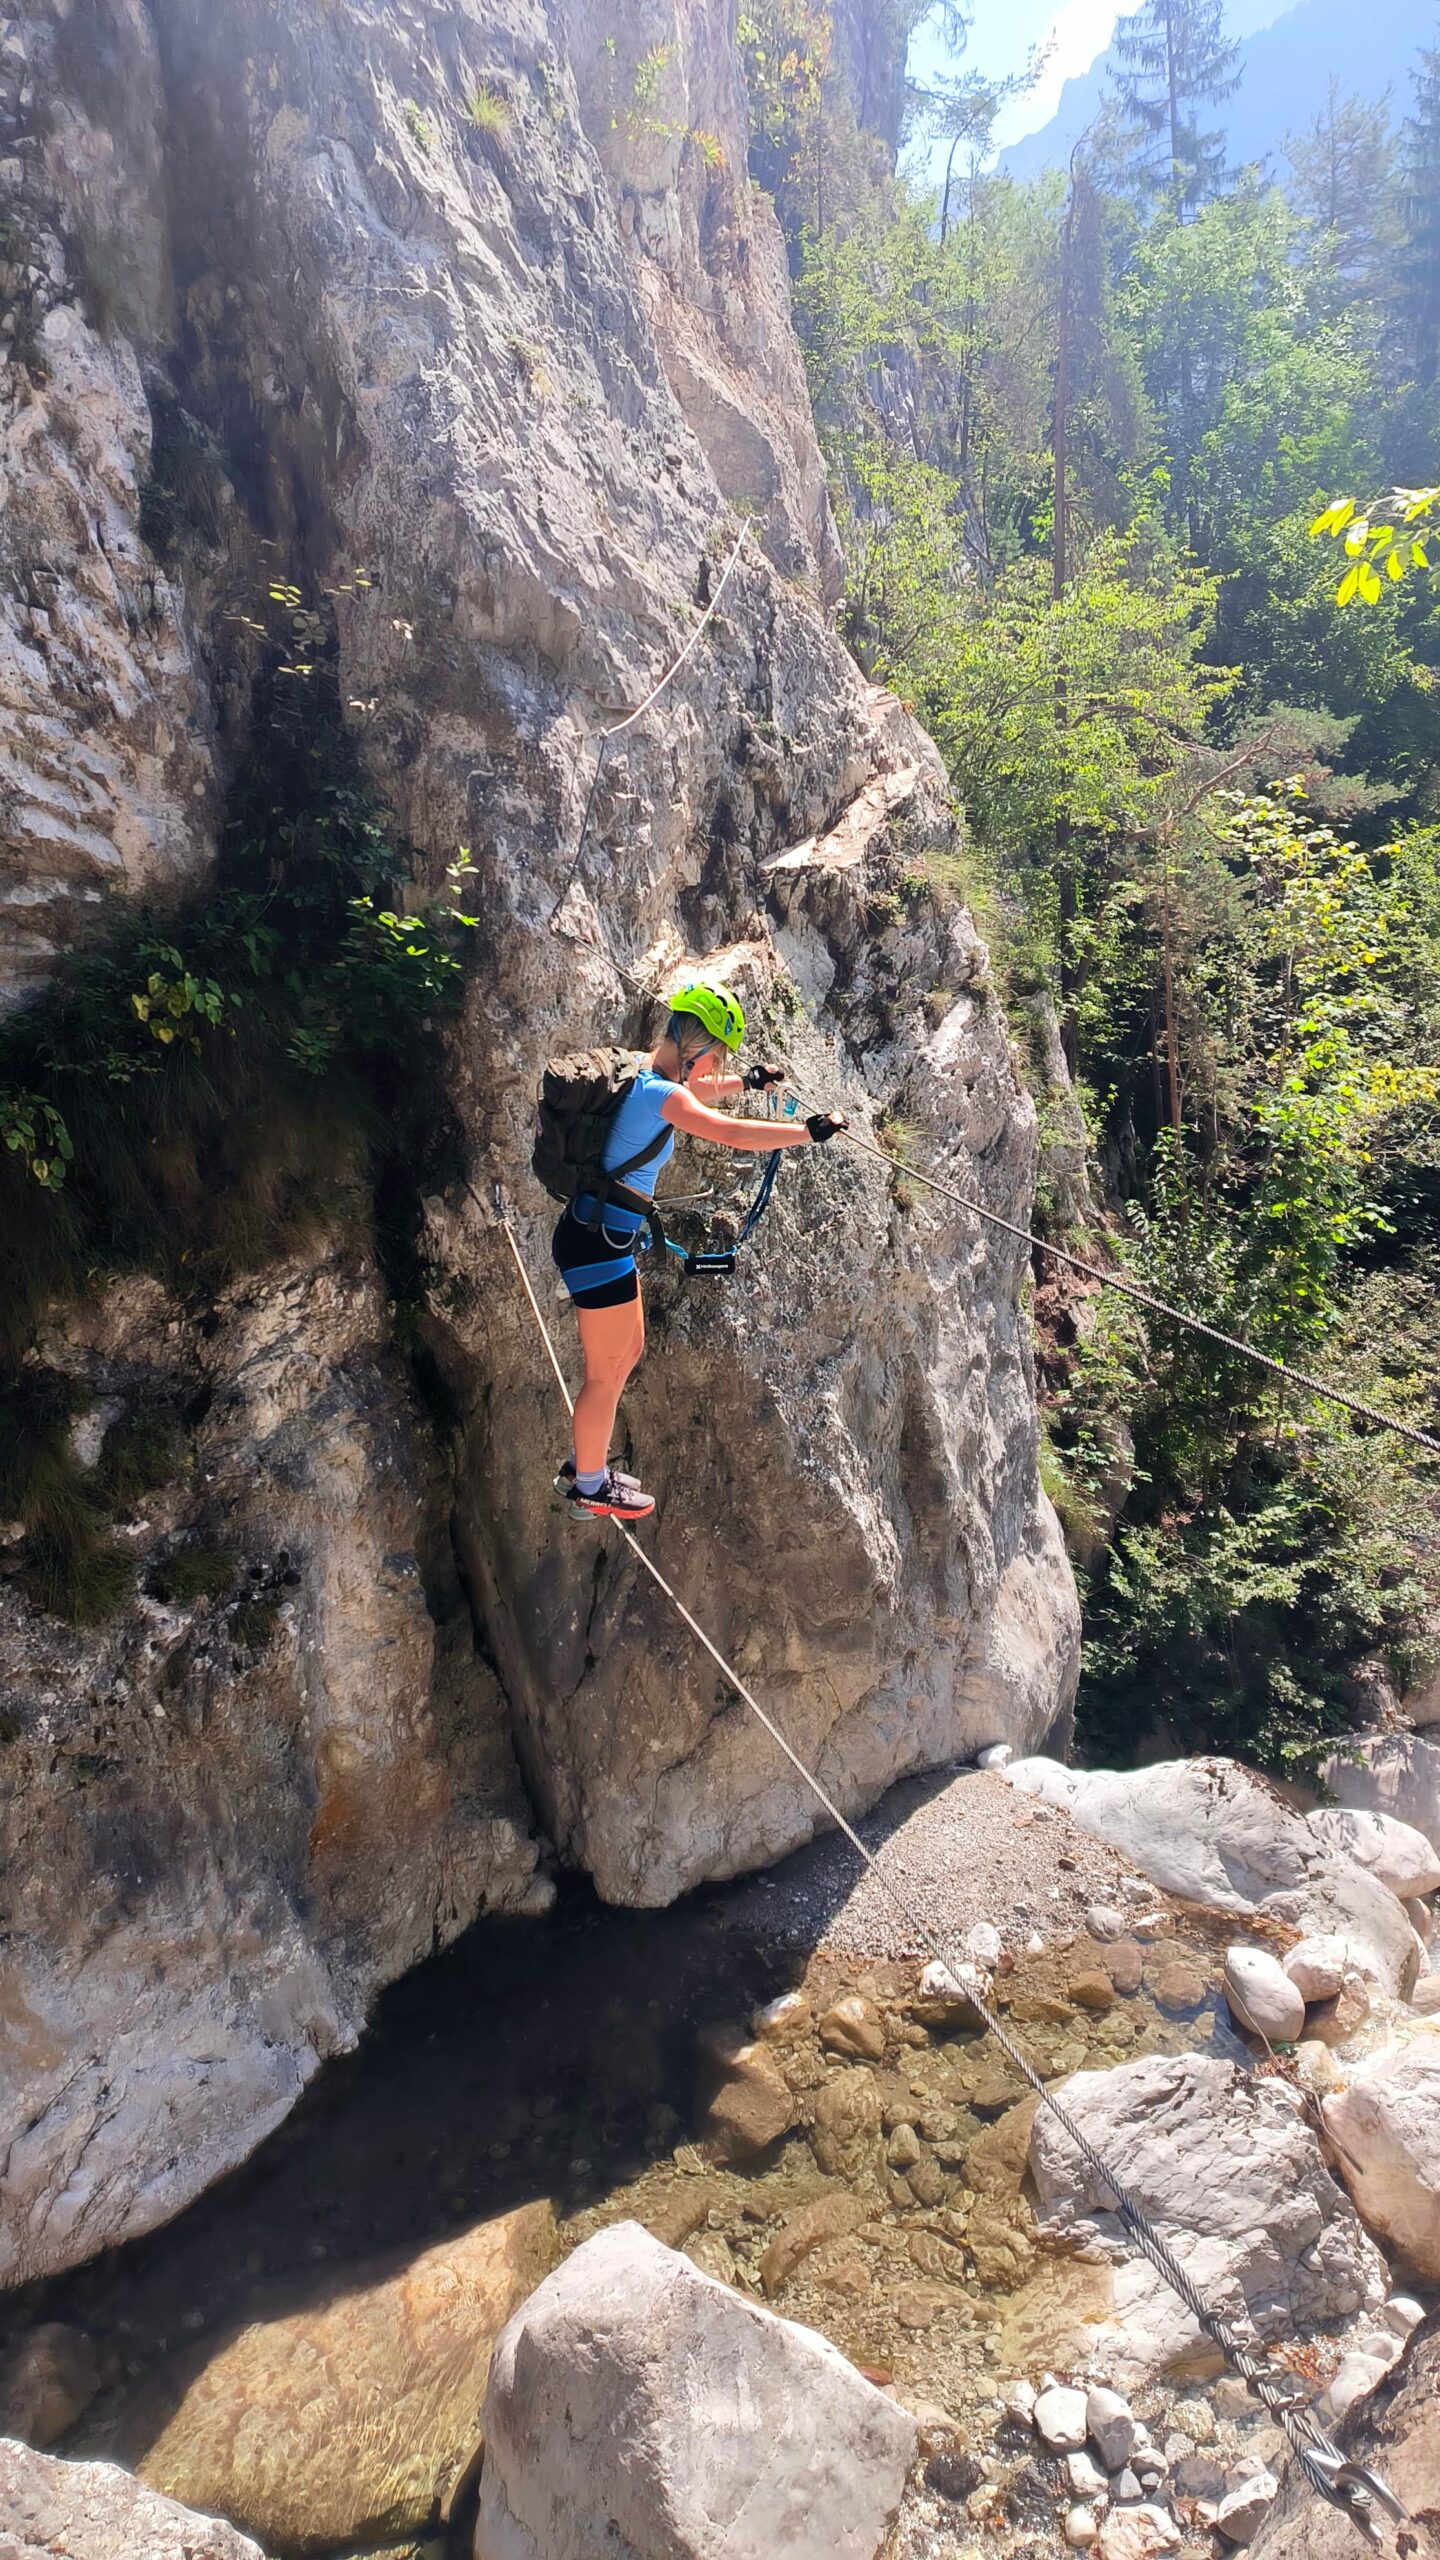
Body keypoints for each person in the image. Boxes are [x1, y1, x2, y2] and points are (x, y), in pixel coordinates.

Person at [551, 980, 846, 1519]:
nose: (715, 1069)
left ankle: (586, 1461)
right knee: (604, 1370)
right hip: (596, 1245)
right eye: (717, 1060)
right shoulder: (662, 1094)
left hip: (598, 1239)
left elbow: (695, 1098)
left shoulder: (646, 1071)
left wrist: (749, 1081)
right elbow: (730, 1134)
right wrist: (806, 1133)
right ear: (700, 1050)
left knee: (627, 1353)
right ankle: (588, 1483)